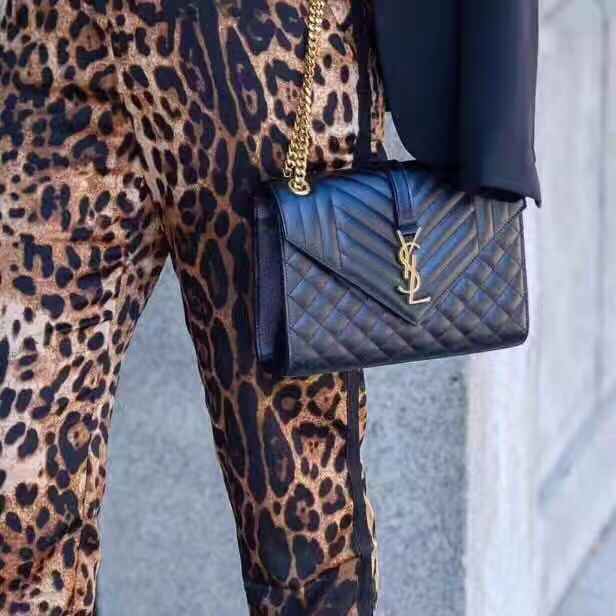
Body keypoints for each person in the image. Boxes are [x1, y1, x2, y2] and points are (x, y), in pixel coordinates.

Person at [0, 0, 539, 615]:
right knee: (16, 488)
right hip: (56, 41)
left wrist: (497, 117)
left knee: (297, 515)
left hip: (262, 54)